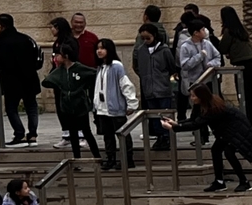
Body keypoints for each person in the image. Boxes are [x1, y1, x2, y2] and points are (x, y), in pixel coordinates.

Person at [162, 83, 252, 193]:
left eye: (193, 96)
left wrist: (174, 128)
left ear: (201, 96)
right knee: (216, 150)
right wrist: (176, 123)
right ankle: (219, 182)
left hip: (236, 131)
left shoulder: (212, 107)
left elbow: (196, 125)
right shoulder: (201, 104)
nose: (191, 98)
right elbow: (193, 120)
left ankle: (244, 182)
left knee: (229, 152)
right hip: (226, 132)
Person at [44, 43, 99, 162]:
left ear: (66, 56)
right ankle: (77, 158)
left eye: (58, 55)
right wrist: (61, 88)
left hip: (80, 105)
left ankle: (97, 156)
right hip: (67, 106)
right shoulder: (60, 70)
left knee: (86, 131)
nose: (56, 57)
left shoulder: (79, 68)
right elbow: (47, 81)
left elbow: (94, 74)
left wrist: (84, 87)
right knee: (73, 133)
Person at [0, 14, 42, 147]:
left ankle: (19, 134)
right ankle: (32, 134)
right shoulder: (26, 39)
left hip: (12, 81)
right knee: (31, 107)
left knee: (11, 108)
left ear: (1, 26)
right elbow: (37, 59)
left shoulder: (1, 42)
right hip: (29, 79)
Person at [90, 38, 139, 169]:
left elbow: (126, 85)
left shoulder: (116, 66)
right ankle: (110, 158)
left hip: (115, 108)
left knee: (122, 134)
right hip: (102, 108)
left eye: (102, 48)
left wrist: (131, 103)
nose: (99, 51)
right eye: (97, 48)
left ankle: (128, 159)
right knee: (108, 136)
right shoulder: (100, 67)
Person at [131, 15, 177, 149]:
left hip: (162, 88)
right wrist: (145, 77)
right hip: (148, 89)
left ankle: (166, 137)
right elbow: (137, 67)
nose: (145, 41)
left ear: (154, 36)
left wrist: (164, 77)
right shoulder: (141, 51)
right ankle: (159, 136)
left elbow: (171, 67)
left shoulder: (164, 50)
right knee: (154, 116)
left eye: (148, 38)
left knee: (164, 114)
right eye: (143, 38)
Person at [217, 5, 252, 127]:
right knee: (248, 93)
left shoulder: (229, 31)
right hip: (250, 64)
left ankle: (246, 120)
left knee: (242, 93)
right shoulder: (241, 29)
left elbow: (222, 48)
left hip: (240, 65)